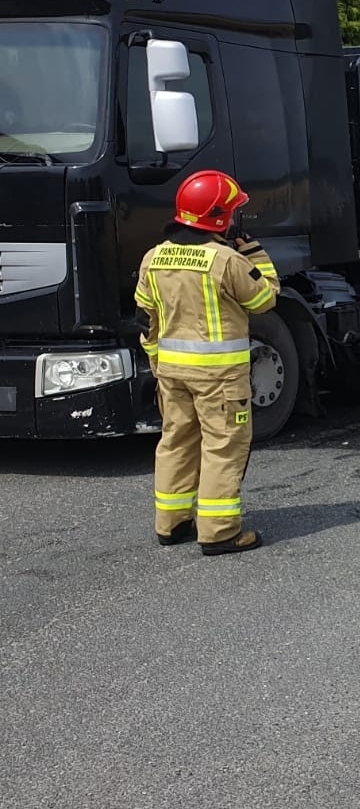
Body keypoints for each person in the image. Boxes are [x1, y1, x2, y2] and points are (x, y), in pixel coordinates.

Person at [133, 169, 280, 555]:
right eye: (231, 211)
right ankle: (219, 532)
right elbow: (264, 300)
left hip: (171, 371)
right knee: (223, 446)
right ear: (220, 217)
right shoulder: (227, 261)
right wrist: (255, 254)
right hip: (219, 378)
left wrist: (156, 361)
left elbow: (144, 315)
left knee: (176, 442)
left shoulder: (154, 256)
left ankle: (172, 523)